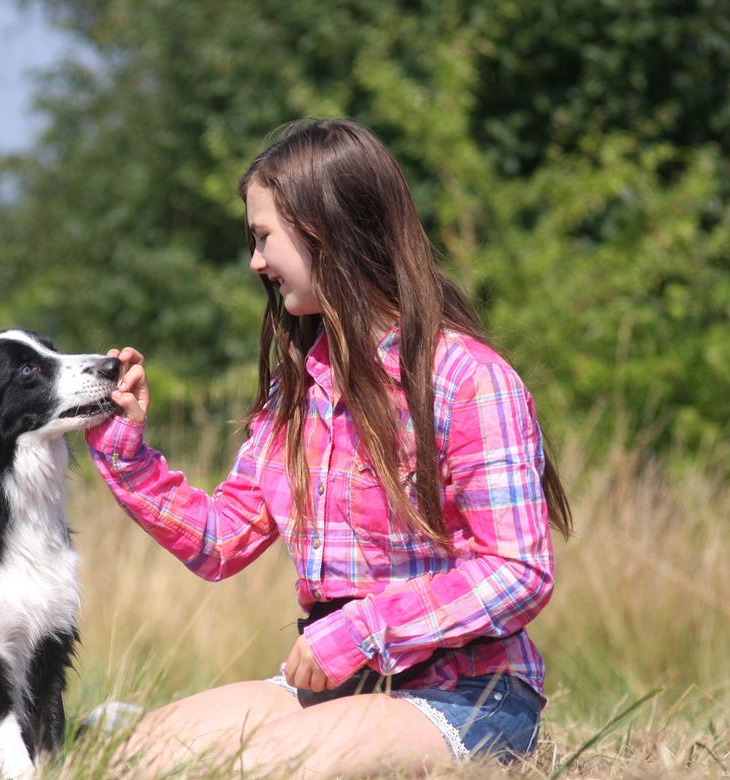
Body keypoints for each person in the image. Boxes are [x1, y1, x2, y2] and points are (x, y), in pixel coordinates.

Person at [84, 118, 572, 777]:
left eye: (264, 238)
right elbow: (223, 541)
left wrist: (364, 629)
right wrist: (125, 454)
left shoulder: (470, 381)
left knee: (268, 766)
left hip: (467, 695)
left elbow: (518, 572)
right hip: (334, 690)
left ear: (324, 227)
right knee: (125, 759)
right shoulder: (298, 388)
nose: (256, 262)